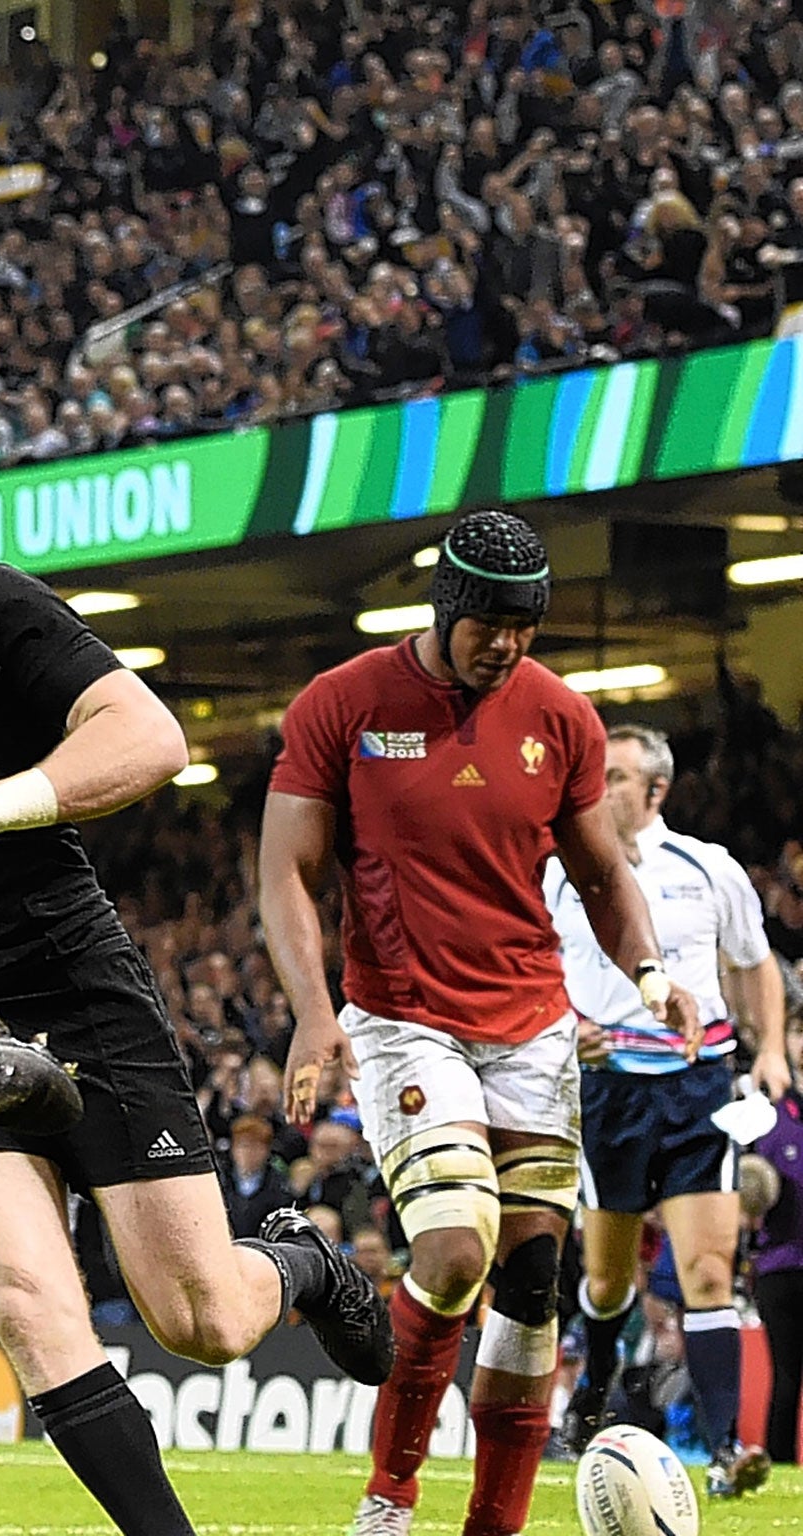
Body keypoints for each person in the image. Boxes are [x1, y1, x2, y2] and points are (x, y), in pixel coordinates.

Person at [0, 400, 390, 1536]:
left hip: (68, 997)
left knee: (200, 1317)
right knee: (28, 1303)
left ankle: (297, 1264)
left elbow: (148, 737)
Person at [259, 509, 699, 1536]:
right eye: (487, 623)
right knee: (455, 1254)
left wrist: (645, 971)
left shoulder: (561, 718)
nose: (504, 643)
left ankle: (490, 1527)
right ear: (443, 606)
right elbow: (285, 870)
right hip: (402, 1019)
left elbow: (599, 871)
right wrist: (311, 1015)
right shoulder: (344, 703)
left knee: (533, 1281)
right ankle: (388, 1500)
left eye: (523, 626)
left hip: (530, 1026)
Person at [548, 724, 787, 1495]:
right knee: (610, 1280)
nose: (602, 788)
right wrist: (561, 1027)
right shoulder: (556, 871)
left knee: (709, 1272)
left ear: (656, 791)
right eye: (598, 776)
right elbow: (527, 969)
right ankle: (590, 1399)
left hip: (698, 1084)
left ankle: (726, 1451)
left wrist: (772, 1048)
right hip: (607, 1086)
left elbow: (755, 965)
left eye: (617, 777)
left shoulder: (709, 868)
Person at [756, 1088, 803, 1463]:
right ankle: (779, 1458)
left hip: (778, 1263)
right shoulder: (764, 1118)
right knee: (786, 1376)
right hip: (778, 1266)